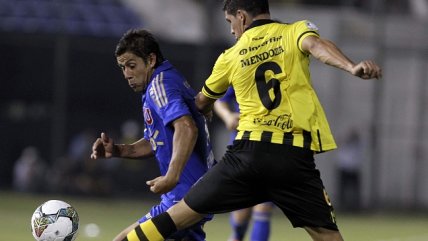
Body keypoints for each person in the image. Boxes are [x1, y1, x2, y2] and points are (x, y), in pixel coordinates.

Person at [121, 1, 382, 241]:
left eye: (230, 22)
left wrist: (207, 106)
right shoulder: (295, 31)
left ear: (242, 18)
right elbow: (317, 46)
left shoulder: (231, 56)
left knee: (177, 216)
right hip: (292, 159)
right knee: (328, 236)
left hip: (247, 156)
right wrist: (351, 67)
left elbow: (201, 102)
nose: (232, 30)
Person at [90, 28, 215, 241]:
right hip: (195, 194)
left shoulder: (160, 84)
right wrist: (119, 150)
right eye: (122, 67)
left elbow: (187, 128)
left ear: (151, 59)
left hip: (183, 198)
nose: (127, 74)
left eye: (131, 65)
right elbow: (155, 141)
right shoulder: (164, 81)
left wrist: (171, 176)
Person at [214, 87, 273, 241]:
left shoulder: (285, 71)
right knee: (242, 209)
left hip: (274, 147)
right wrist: (228, 116)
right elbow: (219, 99)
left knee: (263, 207)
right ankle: (237, 235)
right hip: (243, 149)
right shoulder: (241, 66)